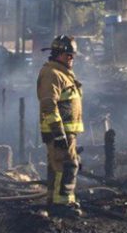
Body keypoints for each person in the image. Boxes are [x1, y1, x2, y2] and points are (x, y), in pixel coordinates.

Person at [37, 35, 84, 217]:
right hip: (59, 131)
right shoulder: (52, 74)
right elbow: (48, 104)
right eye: (68, 55)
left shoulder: (63, 73)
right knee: (66, 165)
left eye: (73, 55)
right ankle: (61, 205)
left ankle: (56, 200)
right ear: (58, 54)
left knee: (59, 165)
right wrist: (58, 133)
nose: (71, 58)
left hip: (66, 131)